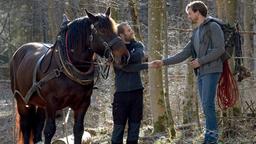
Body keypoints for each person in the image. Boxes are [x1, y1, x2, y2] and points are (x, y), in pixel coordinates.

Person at [152, 1, 225, 143]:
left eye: (189, 13)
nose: (188, 17)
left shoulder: (213, 26)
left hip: (212, 70)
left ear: (198, 12)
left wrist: (200, 61)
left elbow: (220, 49)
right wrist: (163, 62)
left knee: (208, 105)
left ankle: (211, 139)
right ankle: (210, 137)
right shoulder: (196, 32)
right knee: (206, 106)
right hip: (201, 73)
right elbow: (183, 53)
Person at [111, 22, 151, 144]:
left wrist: (125, 59)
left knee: (135, 128)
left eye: (130, 29)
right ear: (121, 35)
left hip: (136, 92)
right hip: (121, 94)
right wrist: (140, 64)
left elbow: (138, 55)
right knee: (118, 128)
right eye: (128, 30)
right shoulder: (115, 49)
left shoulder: (138, 45)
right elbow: (123, 67)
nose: (132, 31)